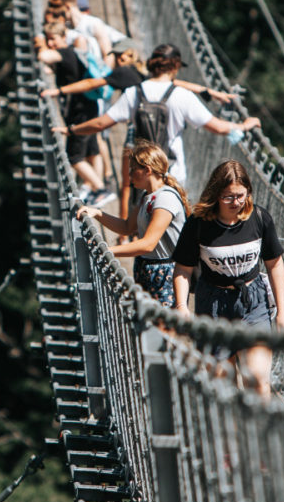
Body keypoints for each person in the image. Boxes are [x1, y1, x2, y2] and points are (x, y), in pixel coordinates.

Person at [48, 43, 256, 218]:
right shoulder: (181, 95)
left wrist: (72, 130)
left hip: (143, 172)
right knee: (169, 225)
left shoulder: (134, 93)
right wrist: (243, 126)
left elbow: (101, 123)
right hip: (173, 172)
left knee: (144, 222)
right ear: (174, 67)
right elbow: (218, 127)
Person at [172, 159, 284, 399]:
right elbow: (183, 269)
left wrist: (283, 312)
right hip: (214, 304)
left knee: (257, 382)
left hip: (253, 302)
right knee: (220, 388)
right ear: (216, 194)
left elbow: (274, 264)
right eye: (228, 197)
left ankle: (259, 435)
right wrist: (182, 306)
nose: (235, 202)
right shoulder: (198, 224)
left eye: (240, 195)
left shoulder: (259, 218)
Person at [76, 140, 189, 307]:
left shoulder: (165, 199)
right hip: (147, 269)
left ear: (147, 170)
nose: (129, 176)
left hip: (165, 274)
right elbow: (127, 227)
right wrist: (98, 213)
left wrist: (106, 251)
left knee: (162, 329)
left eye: (133, 170)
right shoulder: (147, 196)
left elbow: (147, 244)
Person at [35, 21, 114, 206]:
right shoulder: (74, 54)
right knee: (92, 149)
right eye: (49, 39)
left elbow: (43, 56)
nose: (51, 43)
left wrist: (40, 42)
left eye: (53, 39)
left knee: (74, 156)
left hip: (80, 112)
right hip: (90, 107)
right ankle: (98, 188)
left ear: (63, 37)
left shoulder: (65, 53)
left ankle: (100, 189)